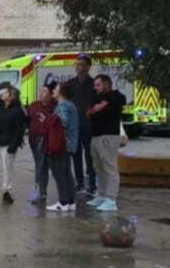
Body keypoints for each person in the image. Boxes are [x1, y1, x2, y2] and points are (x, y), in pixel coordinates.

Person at [84, 74, 126, 212]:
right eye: (95, 85)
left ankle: (111, 200)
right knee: (99, 168)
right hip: (96, 136)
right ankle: (101, 195)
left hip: (108, 137)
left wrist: (103, 104)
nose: (95, 88)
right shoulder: (96, 97)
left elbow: (120, 99)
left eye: (98, 85)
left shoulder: (115, 96)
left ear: (106, 84)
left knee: (109, 168)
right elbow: (89, 111)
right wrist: (95, 108)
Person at [60, 54, 98, 199]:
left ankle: (92, 186)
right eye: (77, 64)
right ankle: (80, 184)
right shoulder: (70, 84)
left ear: (88, 67)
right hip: (74, 126)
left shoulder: (94, 84)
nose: (78, 67)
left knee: (90, 156)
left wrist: (91, 111)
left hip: (89, 126)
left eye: (81, 64)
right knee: (76, 155)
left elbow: (97, 103)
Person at [46, 82, 79, 212]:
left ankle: (63, 202)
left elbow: (63, 122)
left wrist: (50, 120)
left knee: (59, 173)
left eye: (56, 88)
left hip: (61, 145)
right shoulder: (71, 104)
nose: (53, 90)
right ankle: (70, 201)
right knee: (66, 173)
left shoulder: (62, 105)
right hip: (69, 144)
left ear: (62, 92)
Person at [25, 78, 58, 204]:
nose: (41, 93)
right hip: (34, 140)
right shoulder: (34, 105)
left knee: (41, 166)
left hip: (46, 139)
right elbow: (27, 119)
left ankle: (39, 192)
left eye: (45, 91)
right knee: (40, 166)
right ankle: (41, 192)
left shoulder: (55, 106)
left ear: (51, 95)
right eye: (41, 91)